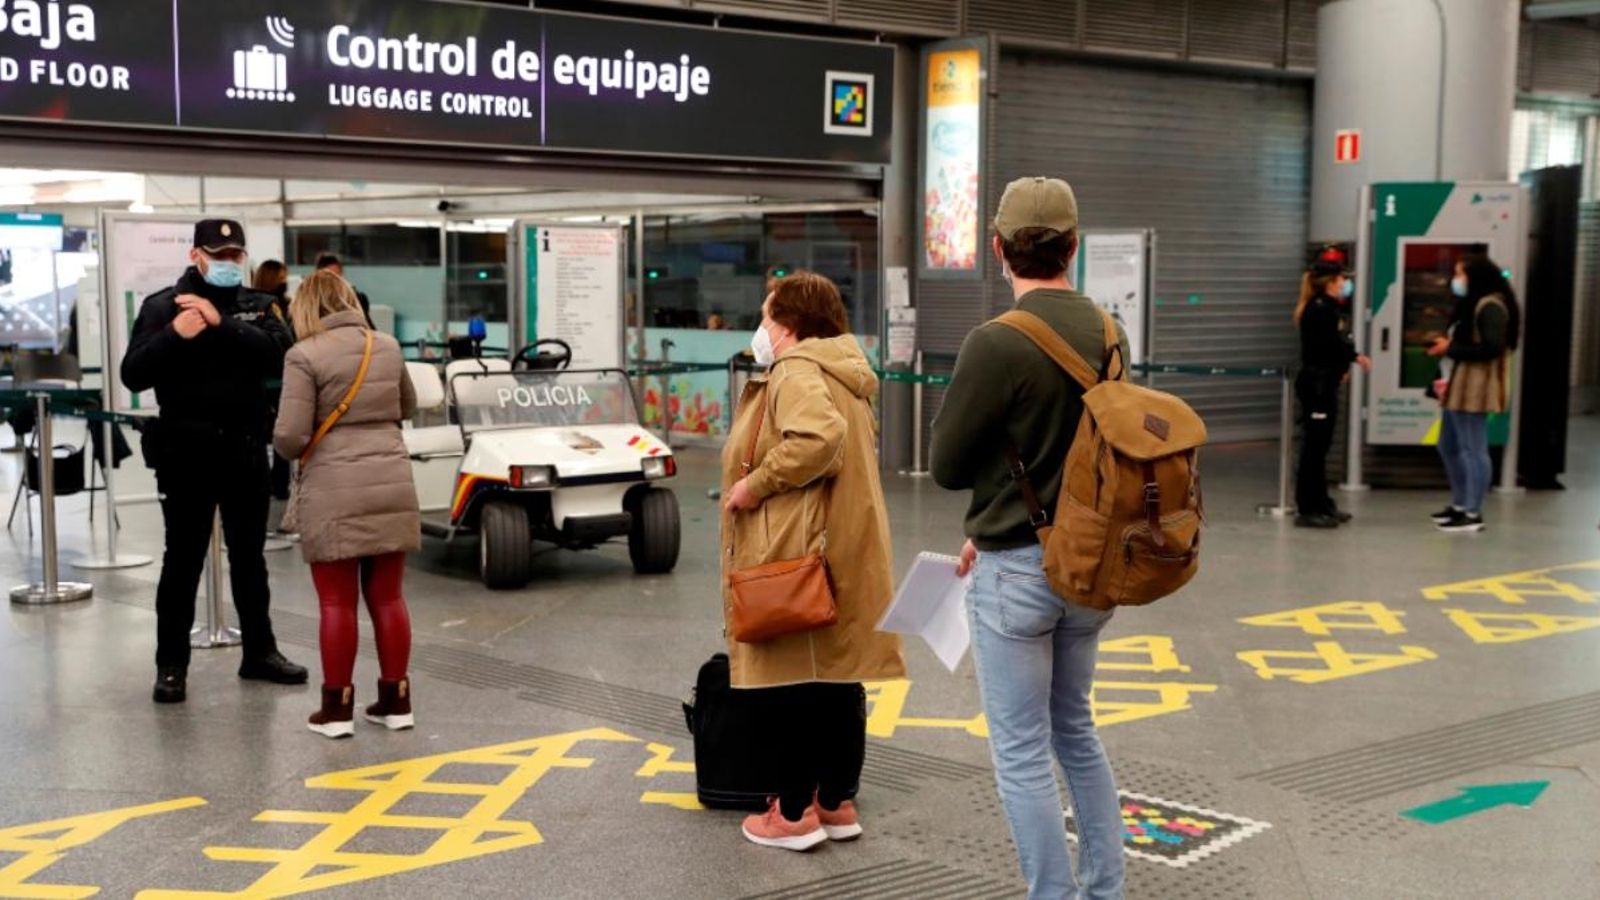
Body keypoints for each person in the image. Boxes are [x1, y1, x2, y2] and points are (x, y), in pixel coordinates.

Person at [929, 177, 1129, 900]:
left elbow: (949, 466)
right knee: (1075, 732)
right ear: (1073, 246)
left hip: (1016, 568)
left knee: (1019, 752)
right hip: (1091, 566)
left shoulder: (995, 342)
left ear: (998, 250)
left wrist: (998, 514)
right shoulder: (1111, 333)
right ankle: (1104, 890)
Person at [720, 271, 906, 851]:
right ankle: (835, 800)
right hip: (845, 543)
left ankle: (793, 812)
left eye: (768, 315)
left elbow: (816, 440)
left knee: (790, 676)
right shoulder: (844, 372)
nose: (762, 327)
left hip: (800, 548)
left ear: (792, 324)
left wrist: (755, 485)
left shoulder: (797, 370)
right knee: (836, 675)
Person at [121, 219, 307, 704]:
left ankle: (260, 652)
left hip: (244, 448)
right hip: (186, 451)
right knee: (182, 561)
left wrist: (219, 323)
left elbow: (282, 356)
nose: (227, 263)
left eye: (234, 255)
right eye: (217, 253)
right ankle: (171, 665)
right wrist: (175, 335)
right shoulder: (163, 307)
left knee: (250, 559)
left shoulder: (257, 305)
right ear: (195, 255)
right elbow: (133, 375)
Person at [273, 271, 421, 738]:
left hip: (335, 486)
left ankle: (337, 711)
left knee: (337, 603)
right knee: (390, 596)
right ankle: (397, 703)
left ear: (306, 308)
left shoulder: (302, 355)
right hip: (391, 478)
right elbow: (408, 405)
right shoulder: (388, 345)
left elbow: (291, 437)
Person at [1426, 253, 1521, 534]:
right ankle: (1459, 504)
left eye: (1460, 274)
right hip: (1457, 384)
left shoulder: (1491, 307)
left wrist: (1450, 349)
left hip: (1475, 387)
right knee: (1449, 445)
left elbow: (1493, 348)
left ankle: (1473, 511)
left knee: (1473, 449)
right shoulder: (1471, 305)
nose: (1456, 280)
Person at [1291, 250, 1372, 529]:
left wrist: (1349, 360)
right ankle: (1308, 507)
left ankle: (1322, 502)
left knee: (1321, 446)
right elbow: (1327, 347)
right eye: (1342, 279)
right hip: (1317, 385)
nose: (1345, 284)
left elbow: (1335, 345)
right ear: (1330, 281)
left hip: (1323, 382)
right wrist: (1349, 359)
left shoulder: (1326, 307)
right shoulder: (1319, 309)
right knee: (1313, 448)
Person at [253, 261, 295, 517]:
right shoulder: (276, 306)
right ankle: (278, 484)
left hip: (265, 380)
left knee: (267, 433)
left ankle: (272, 483)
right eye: (281, 275)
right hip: (278, 380)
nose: (285, 279)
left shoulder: (254, 304)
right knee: (280, 432)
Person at [314, 252, 374, 327]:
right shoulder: (312, 302)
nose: (336, 281)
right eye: (330, 277)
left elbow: (369, 327)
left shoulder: (358, 298)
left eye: (338, 276)